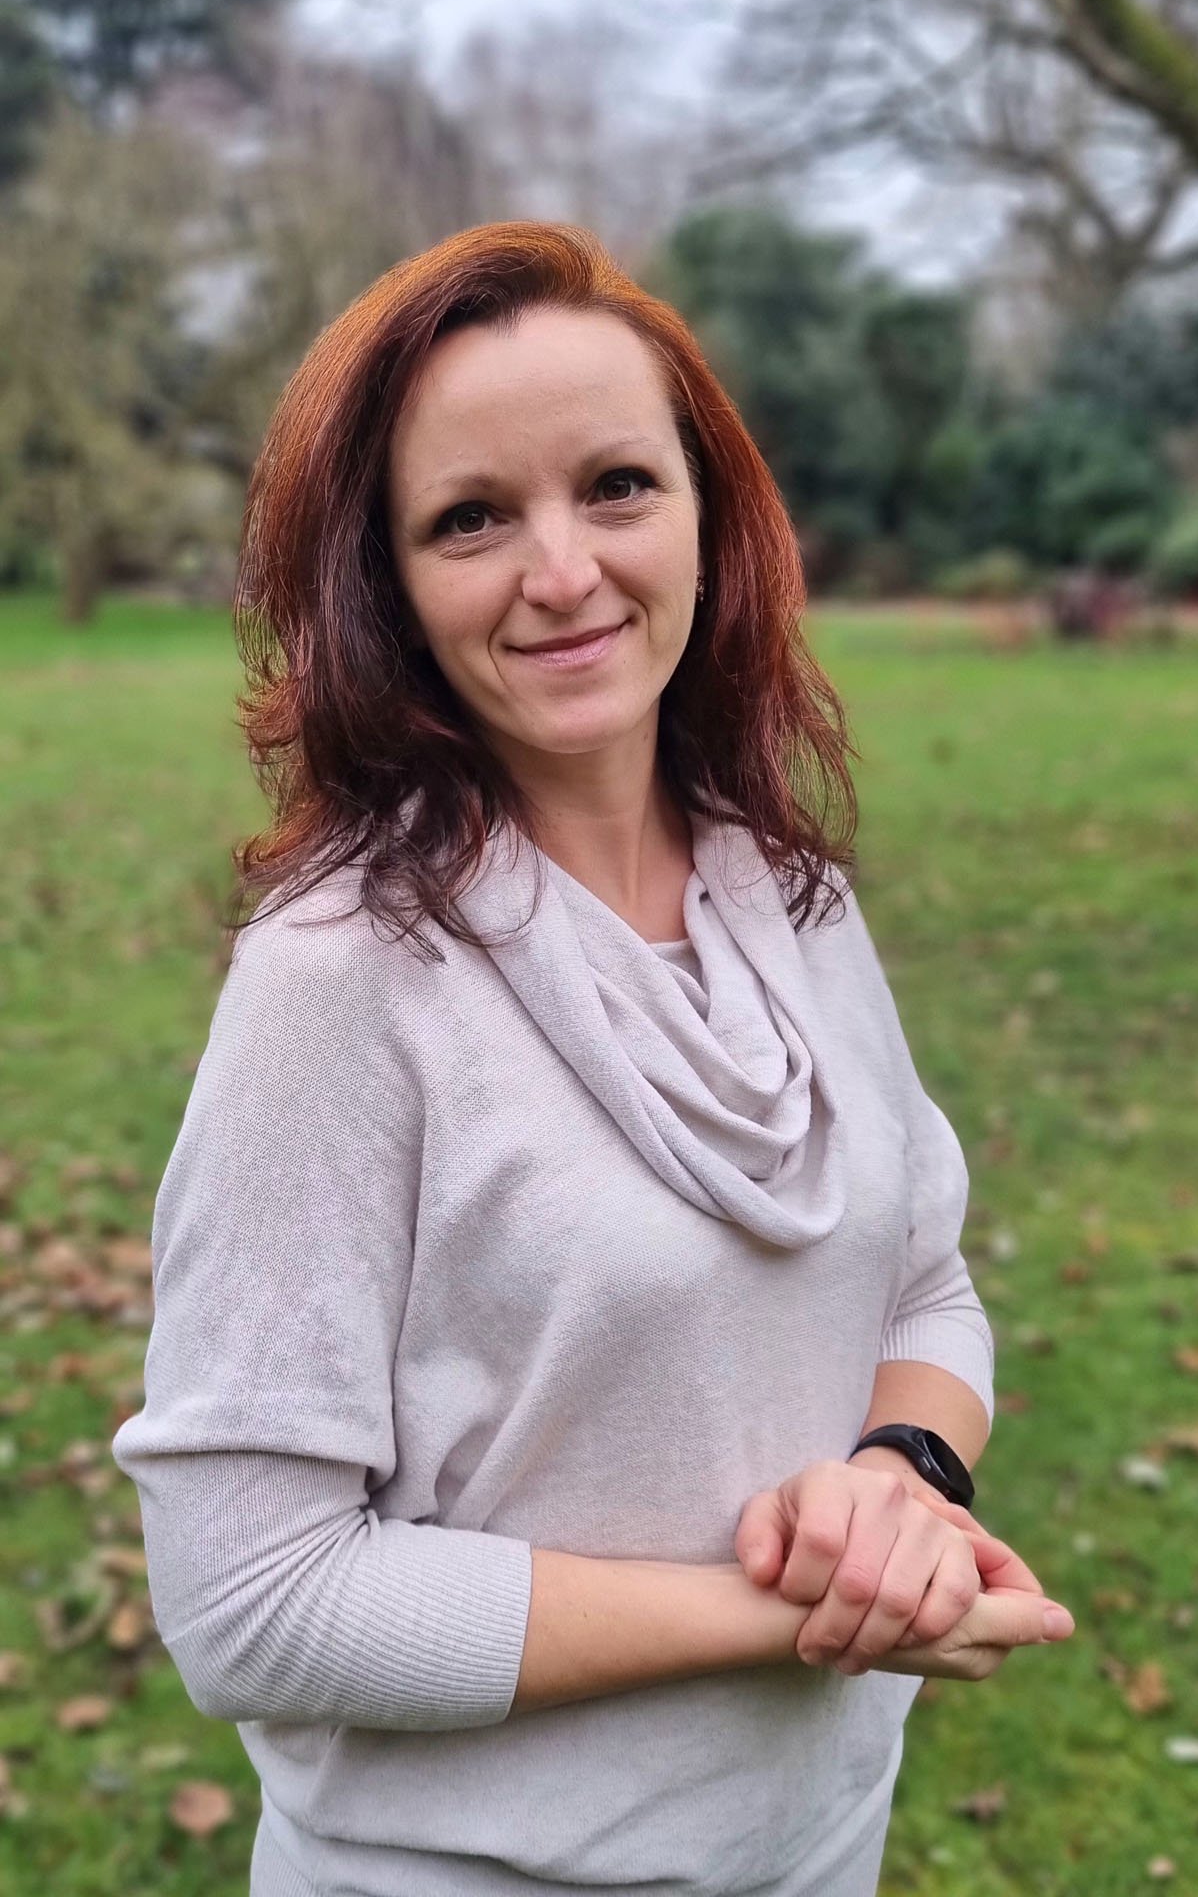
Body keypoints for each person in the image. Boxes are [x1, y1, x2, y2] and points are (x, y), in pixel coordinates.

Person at [111, 220, 1076, 1897]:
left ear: (710, 514)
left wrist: (896, 1480)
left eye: (617, 485)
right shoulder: (341, 983)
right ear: (387, 588)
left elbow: (922, 1286)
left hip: (811, 1847)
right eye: (471, 517)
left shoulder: (788, 897)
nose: (561, 571)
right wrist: (795, 1610)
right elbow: (251, 1598)